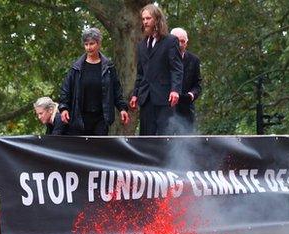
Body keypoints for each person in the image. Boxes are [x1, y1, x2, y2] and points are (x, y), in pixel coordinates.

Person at [58, 27, 130, 136]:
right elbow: (66, 89)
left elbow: (116, 90)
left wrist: (122, 109)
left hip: (101, 117)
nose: (89, 47)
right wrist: (64, 108)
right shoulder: (76, 68)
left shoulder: (108, 67)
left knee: (98, 148)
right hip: (80, 117)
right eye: (86, 44)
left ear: (99, 44)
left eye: (92, 44)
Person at [129, 4, 183, 135]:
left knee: (164, 138)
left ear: (157, 19)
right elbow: (141, 73)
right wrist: (135, 94)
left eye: (148, 18)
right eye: (143, 19)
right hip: (146, 98)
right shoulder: (141, 45)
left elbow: (176, 68)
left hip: (164, 98)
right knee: (146, 139)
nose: (145, 22)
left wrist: (175, 90)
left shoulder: (170, 41)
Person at [169, 27, 202, 133]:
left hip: (186, 109)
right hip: (167, 109)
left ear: (187, 43)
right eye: (177, 41)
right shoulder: (163, 59)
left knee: (186, 144)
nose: (180, 44)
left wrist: (191, 95)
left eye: (183, 41)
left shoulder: (194, 60)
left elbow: (197, 84)